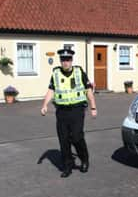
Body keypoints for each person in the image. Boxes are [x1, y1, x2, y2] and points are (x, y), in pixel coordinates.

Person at [40, 49, 97, 177]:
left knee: (77, 137)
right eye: (63, 60)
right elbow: (51, 91)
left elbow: (88, 90)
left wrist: (93, 107)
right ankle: (67, 166)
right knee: (63, 139)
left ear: (71, 60)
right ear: (60, 61)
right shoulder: (55, 73)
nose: (65, 62)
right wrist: (44, 105)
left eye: (68, 60)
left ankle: (84, 159)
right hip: (61, 112)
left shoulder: (79, 72)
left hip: (77, 110)